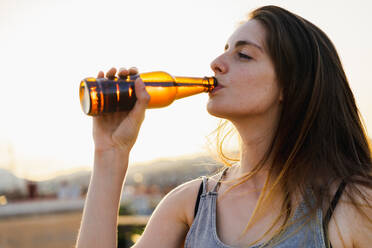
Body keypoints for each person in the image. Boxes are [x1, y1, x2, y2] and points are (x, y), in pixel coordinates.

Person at [76, 5, 372, 248]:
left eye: (243, 55)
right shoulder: (190, 205)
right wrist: (110, 153)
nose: (216, 63)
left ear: (291, 86)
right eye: (225, 50)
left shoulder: (352, 205)